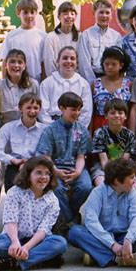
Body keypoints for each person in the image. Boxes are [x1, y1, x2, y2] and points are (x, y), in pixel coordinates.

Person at [0, 156, 68, 271]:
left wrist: (26, 248)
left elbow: (43, 230)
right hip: (13, 239)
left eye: (47, 174)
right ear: (28, 175)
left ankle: (15, 263)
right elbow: (11, 220)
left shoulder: (52, 200)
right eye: (38, 173)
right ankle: (42, 260)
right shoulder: (14, 193)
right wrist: (15, 242)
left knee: (60, 243)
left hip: (38, 241)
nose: (43, 177)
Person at [69, 159, 136, 268]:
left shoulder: (132, 193)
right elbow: (91, 222)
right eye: (131, 177)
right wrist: (112, 244)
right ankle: (118, 258)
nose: (135, 181)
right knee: (75, 232)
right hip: (102, 236)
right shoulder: (98, 193)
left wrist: (128, 240)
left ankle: (97, 255)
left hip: (124, 236)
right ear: (116, 181)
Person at [0, 49, 40, 204]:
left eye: (19, 62)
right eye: (12, 62)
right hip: (7, 126)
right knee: (7, 161)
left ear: (25, 65)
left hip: (27, 125)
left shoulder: (32, 84)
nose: (16, 65)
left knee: (25, 157)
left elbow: (37, 107)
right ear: (5, 65)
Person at [35, 92, 92, 224]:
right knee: (57, 188)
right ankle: (70, 221)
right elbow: (46, 156)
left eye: (79, 110)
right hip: (54, 167)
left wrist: (77, 172)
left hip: (75, 167)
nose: (77, 113)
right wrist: (55, 171)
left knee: (85, 187)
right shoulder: (50, 130)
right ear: (61, 108)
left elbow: (81, 156)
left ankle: (68, 217)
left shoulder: (82, 130)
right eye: (73, 109)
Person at [0, 93, 47, 192]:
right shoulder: (8, 128)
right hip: (15, 165)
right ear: (20, 108)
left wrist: (29, 164)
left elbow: (47, 152)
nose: (32, 111)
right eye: (28, 108)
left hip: (38, 165)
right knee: (13, 191)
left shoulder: (45, 130)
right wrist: (13, 160)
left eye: (36, 108)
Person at [40, 46, 93, 127]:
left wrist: (77, 129)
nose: (69, 61)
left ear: (77, 62)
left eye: (72, 58)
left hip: (75, 125)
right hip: (52, 125)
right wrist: (52, 128)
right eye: (65, 58)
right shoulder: (47, 83)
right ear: (58, 61)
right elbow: (42, 111)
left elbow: (86, 112)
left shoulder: (83, 84)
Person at [0, 0, 46, 82]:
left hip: (35, 80)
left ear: (36, 13)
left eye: (32, 12)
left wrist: (43, 83)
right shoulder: (12, 36)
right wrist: (5, 82)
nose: (29, 16)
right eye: (25, 12)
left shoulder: (42, 36)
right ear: (18, 13)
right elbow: (5, 61)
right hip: (15, 81)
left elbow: (43, 63)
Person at [90, 99, 136, 186]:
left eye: (120, 113)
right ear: (106, 116)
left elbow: (125, 160)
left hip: (124, 169)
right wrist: (113, 178)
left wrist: (120, 176)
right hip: (102, 168)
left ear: (125, 116)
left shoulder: (130, 135)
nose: (116, 116)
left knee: (133, 186)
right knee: (103, 185)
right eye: (112, 113)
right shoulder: (100, 133)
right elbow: (104, 162)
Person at [77, 0, 122, 81]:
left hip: (111, 79)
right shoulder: (86, 35)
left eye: (107, 13)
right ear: (94, 13)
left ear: (111, 15)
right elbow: (84, 64)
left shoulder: (116, 37)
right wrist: (93, 84)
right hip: (92, 77)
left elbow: (118, 61)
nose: (104, 16)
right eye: (101, 12)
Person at [91, 46, 132, 131]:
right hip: (100, 126)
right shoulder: (95, 84)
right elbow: (91, 111)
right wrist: (90, 131)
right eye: (107, 64)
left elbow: (131, 111)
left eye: (114, 64)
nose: (110, 67)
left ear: (121, 65)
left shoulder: (128, 84)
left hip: (121, 127)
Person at [43, 1, 80, 77]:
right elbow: (49, 64)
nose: (69, 16)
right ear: (59, 17)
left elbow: (81, 62)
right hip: (56, 80)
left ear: (75, 16)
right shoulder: (51, 37)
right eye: (65, 14)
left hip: (76, 80)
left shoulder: (80, 37)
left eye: (72, 14)